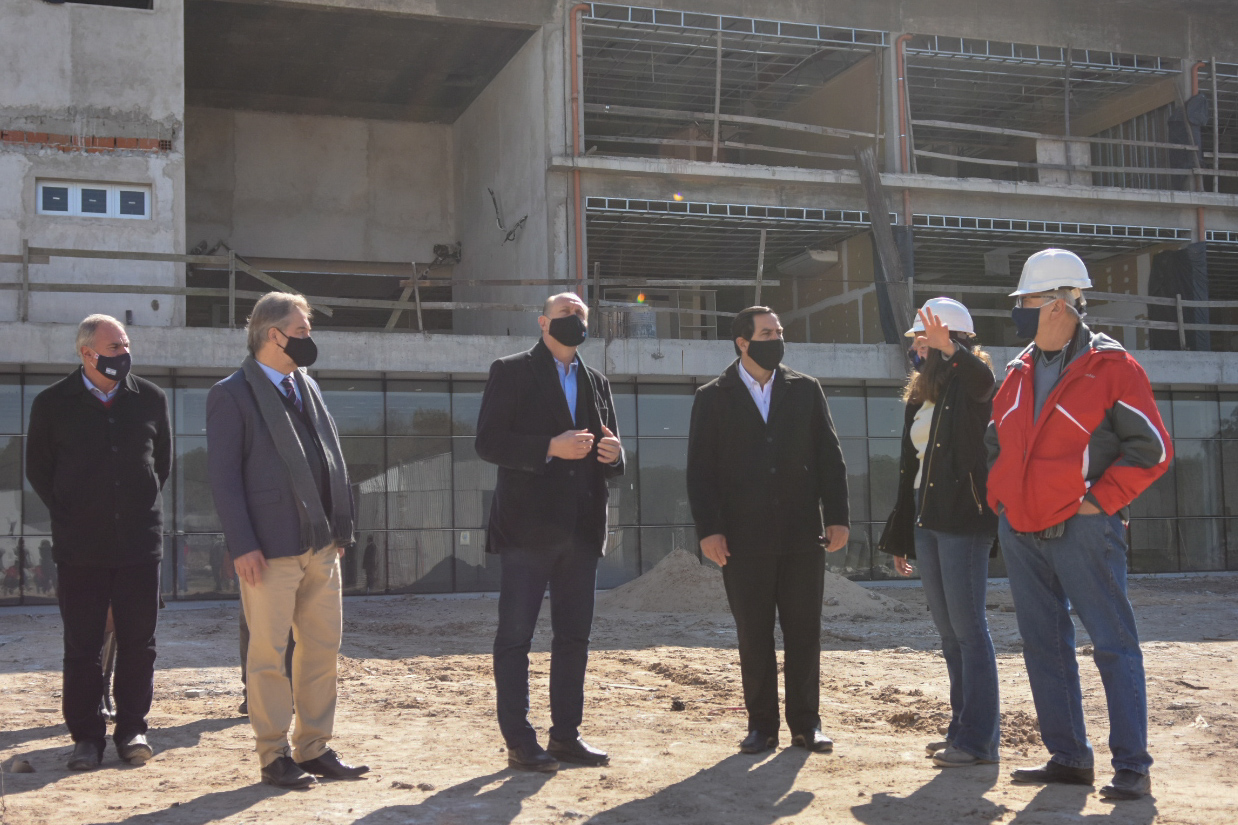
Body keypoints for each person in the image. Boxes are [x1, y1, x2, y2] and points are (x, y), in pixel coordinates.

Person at [986, 249, 1173, 801]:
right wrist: (1003, 502)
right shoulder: (1017, 371)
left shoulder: (1113, 368)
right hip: (1022, 530)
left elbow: (1153, 450)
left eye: (1025, 300)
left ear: (1059, 304)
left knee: (1113, 644)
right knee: (1043, 646)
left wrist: (1099, 503)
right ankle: (1068, 757)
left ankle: (1132, 766)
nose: (1018, 310)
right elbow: (996, 443)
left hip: (1085, 530)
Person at [207, 292, 368, 789]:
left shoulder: (308, 386)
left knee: (320, 650)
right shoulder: (231, 394)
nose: (308, 339)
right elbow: (224, 480)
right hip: (267, 550)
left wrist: (339, 527)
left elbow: (331, 457)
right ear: (272, 335)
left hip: (322, 545)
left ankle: (314, 747)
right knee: (268, 656)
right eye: (301, 331)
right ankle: (273, 754)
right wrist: (242, 545)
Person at [686, 306, 849, 755]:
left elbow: (830, 457)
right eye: (766, 333)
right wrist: (709, 530)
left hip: (802, 535)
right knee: (753, 635)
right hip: (742, 539)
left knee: (804, 633)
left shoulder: (806, 389)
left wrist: (838, 516)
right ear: (743, 342)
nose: (776, 339)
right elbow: (700, 471)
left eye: (779, 332)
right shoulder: (712, 396)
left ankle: (807, 724)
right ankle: (762, 727)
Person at [476, 292, 625, 773]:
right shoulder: (511, 370)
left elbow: (611, 451)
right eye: (565, 313)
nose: (574, 320)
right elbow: (488, 442)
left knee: (574, 639)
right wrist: (549, 447)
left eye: (580, 314)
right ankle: (519, 741)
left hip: (581, 530)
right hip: (527, 530)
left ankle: (566, 736)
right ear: (543, 323)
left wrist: (615, 456)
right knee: (515, 637)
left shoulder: (597, 381)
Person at [25, 314, 171, 770]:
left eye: (126, 346)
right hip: (80, 549)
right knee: (82, 647)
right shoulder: (52, 403)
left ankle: (132, 730)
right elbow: (39, 471)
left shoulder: (150, 399)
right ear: (87, 353)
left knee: (139, 643)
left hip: (139, 546)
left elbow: (160, 465)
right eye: (114, 348)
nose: (124, 355)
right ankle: (86, 738)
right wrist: (76, 513)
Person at [878, 299, 1000, 768]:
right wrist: (902, 535)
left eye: (925, 341)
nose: (917, 349)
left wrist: (951, 351)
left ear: (955, 341)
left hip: (964, 521)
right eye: (917, 342)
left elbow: (984, 381)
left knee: (970, 632)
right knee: (950, 635)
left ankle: (979, 741)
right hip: (927, 522)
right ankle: (961, 730)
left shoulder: (972, 385)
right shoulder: (921, 395)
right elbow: (912, 469)